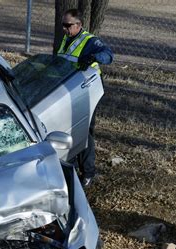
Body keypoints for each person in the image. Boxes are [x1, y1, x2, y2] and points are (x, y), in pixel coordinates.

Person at [56, 8, 114, 187]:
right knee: (69, 129)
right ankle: (71, 166)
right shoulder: (67, 38)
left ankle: (88, 173)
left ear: (79, 25)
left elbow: (108, 55)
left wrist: (93, 57)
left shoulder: (89, 41)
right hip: (70, 90)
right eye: (63, 25)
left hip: (87, 91)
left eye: (68, 25)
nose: (64, 29)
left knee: (84, 132)